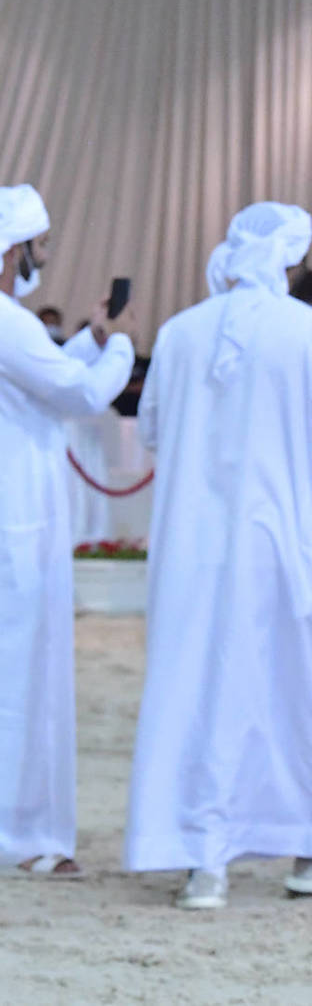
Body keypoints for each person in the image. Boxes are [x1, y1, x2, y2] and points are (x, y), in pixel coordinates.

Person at [126, 202, 312, 909]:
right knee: (297, 698)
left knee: (194, 694)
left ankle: (202, 863)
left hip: (188, 554)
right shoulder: (309, 333)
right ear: (289, 259)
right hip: (280, 550)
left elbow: (151, 430)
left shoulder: (178, 333)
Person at [0, 183, 134, 878]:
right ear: (14, 248)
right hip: (18, 523)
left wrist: (90, 338)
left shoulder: (14, 327)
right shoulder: (8, 320)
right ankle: (28, 836)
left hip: (14, 513)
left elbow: (41, 374)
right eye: (40, 245)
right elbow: (78, 394)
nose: (44, 257)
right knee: (26, 673)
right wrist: (122, 349)